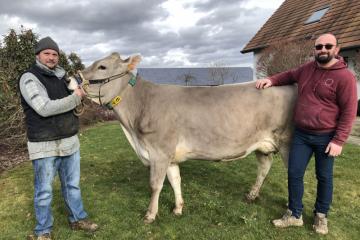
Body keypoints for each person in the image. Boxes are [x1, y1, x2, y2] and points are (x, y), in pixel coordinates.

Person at [256, 33, 357, 235]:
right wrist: (270, 79)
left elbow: (349, 111)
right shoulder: (307, 69)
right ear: (315, 50)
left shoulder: (345, 77)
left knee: (324, 177)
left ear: (336, 49)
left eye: (328, 46)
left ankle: (321, 216)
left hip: (326, 137)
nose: (323, 50)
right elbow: (289, 75)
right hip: (301, 134)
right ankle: (294, 214)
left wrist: (339, 140)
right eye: (319, 47)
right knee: (294, 174)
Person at [19, 37, 98, 240]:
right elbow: (43, 108)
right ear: (38, 55)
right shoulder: (29, 78)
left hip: (69, 141)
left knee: (72, 185)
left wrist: (80, 92)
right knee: (44, 192)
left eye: (54, 54)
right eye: (47, 53)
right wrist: (76, 98)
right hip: (43, 144)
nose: (51, 57)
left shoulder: (64, 77)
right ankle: (43, 231)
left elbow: (77, 97)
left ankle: (77, 219)